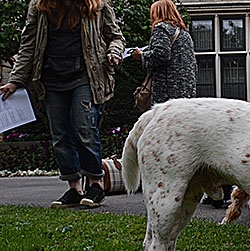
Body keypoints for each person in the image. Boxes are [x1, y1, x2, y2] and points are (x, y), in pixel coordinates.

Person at [0, 0, 125, 209]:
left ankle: (96, 184)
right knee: (60, 134)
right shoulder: (39, 6)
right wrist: (15, 80)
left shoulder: (97, 4)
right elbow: (28, 45)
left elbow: (116, 37)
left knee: (84, 127)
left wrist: (114, 52)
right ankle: (75, 187)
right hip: (51, 78)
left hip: (86, 76)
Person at [131, 0, 196, 107]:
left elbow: (161, 55)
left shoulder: (161, 28)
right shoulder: (185, 34)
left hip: (167, 90)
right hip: (186, 90)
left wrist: (141, 56)